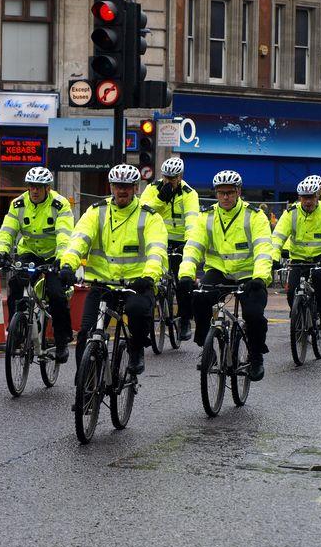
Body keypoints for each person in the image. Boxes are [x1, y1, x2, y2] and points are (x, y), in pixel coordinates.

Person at [59, 163, 167, 376]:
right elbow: (79, 240)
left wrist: (149, 275)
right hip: (102, 284)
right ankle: (86, 384)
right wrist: (68, 264)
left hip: (136, 284)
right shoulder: (96, 212)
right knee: (85, 335)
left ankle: (136, 350)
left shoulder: (149, 216)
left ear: (136, 188)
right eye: (118, 186)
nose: (122, 190)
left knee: (138, 312)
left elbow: (157, 250)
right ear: (111, 187)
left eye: (127, 186)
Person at [178, 170, 273, 382]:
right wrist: (186, 273)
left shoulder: (254, 216)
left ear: (239, 192)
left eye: (230, 192)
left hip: (250, 275)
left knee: (254, 315)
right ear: (216, 194)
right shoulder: (206, 217)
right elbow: (193, 246)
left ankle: (256, 356)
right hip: (219, 271)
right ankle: (206, 345)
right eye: (221, 193)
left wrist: (260, 277)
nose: (226, 197)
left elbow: (264, 248)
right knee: (200, 297)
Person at [0, 166, 74, 364]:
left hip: (54, 255)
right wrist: (1, 252)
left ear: (48, 188)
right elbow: (7, 231)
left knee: (56, 294)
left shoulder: (59, 204)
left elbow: (64, 234)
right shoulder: (18, 204)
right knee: (15, 285)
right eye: (31, 186)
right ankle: (16, 331)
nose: (35, 190)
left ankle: (62, 339)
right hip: (29, 252)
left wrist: (61, 258)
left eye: (39, 187)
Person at [271, 175, 321, 328]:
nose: (308, 201)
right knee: (292, 292)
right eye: (304, 198)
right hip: (298, 259)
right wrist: (274, 257)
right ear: (299, 197)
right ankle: (297, 316)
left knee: (320, 279)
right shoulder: (290, 213)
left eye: (311, 197)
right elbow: (277, 238)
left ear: (317, 196)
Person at [140, 156, 200, 341]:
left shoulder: (190, 194)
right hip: (158, 240)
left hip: (181, 241)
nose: (168, 180)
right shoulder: (152, 189)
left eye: (173, 178)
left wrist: (189, 244)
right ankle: (146, 323)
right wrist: (161, 199)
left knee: (183, 282)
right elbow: (142, 213)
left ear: (180, 176)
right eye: (166, 176)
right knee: (150, 281)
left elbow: (192, 221)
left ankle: (184, 321)